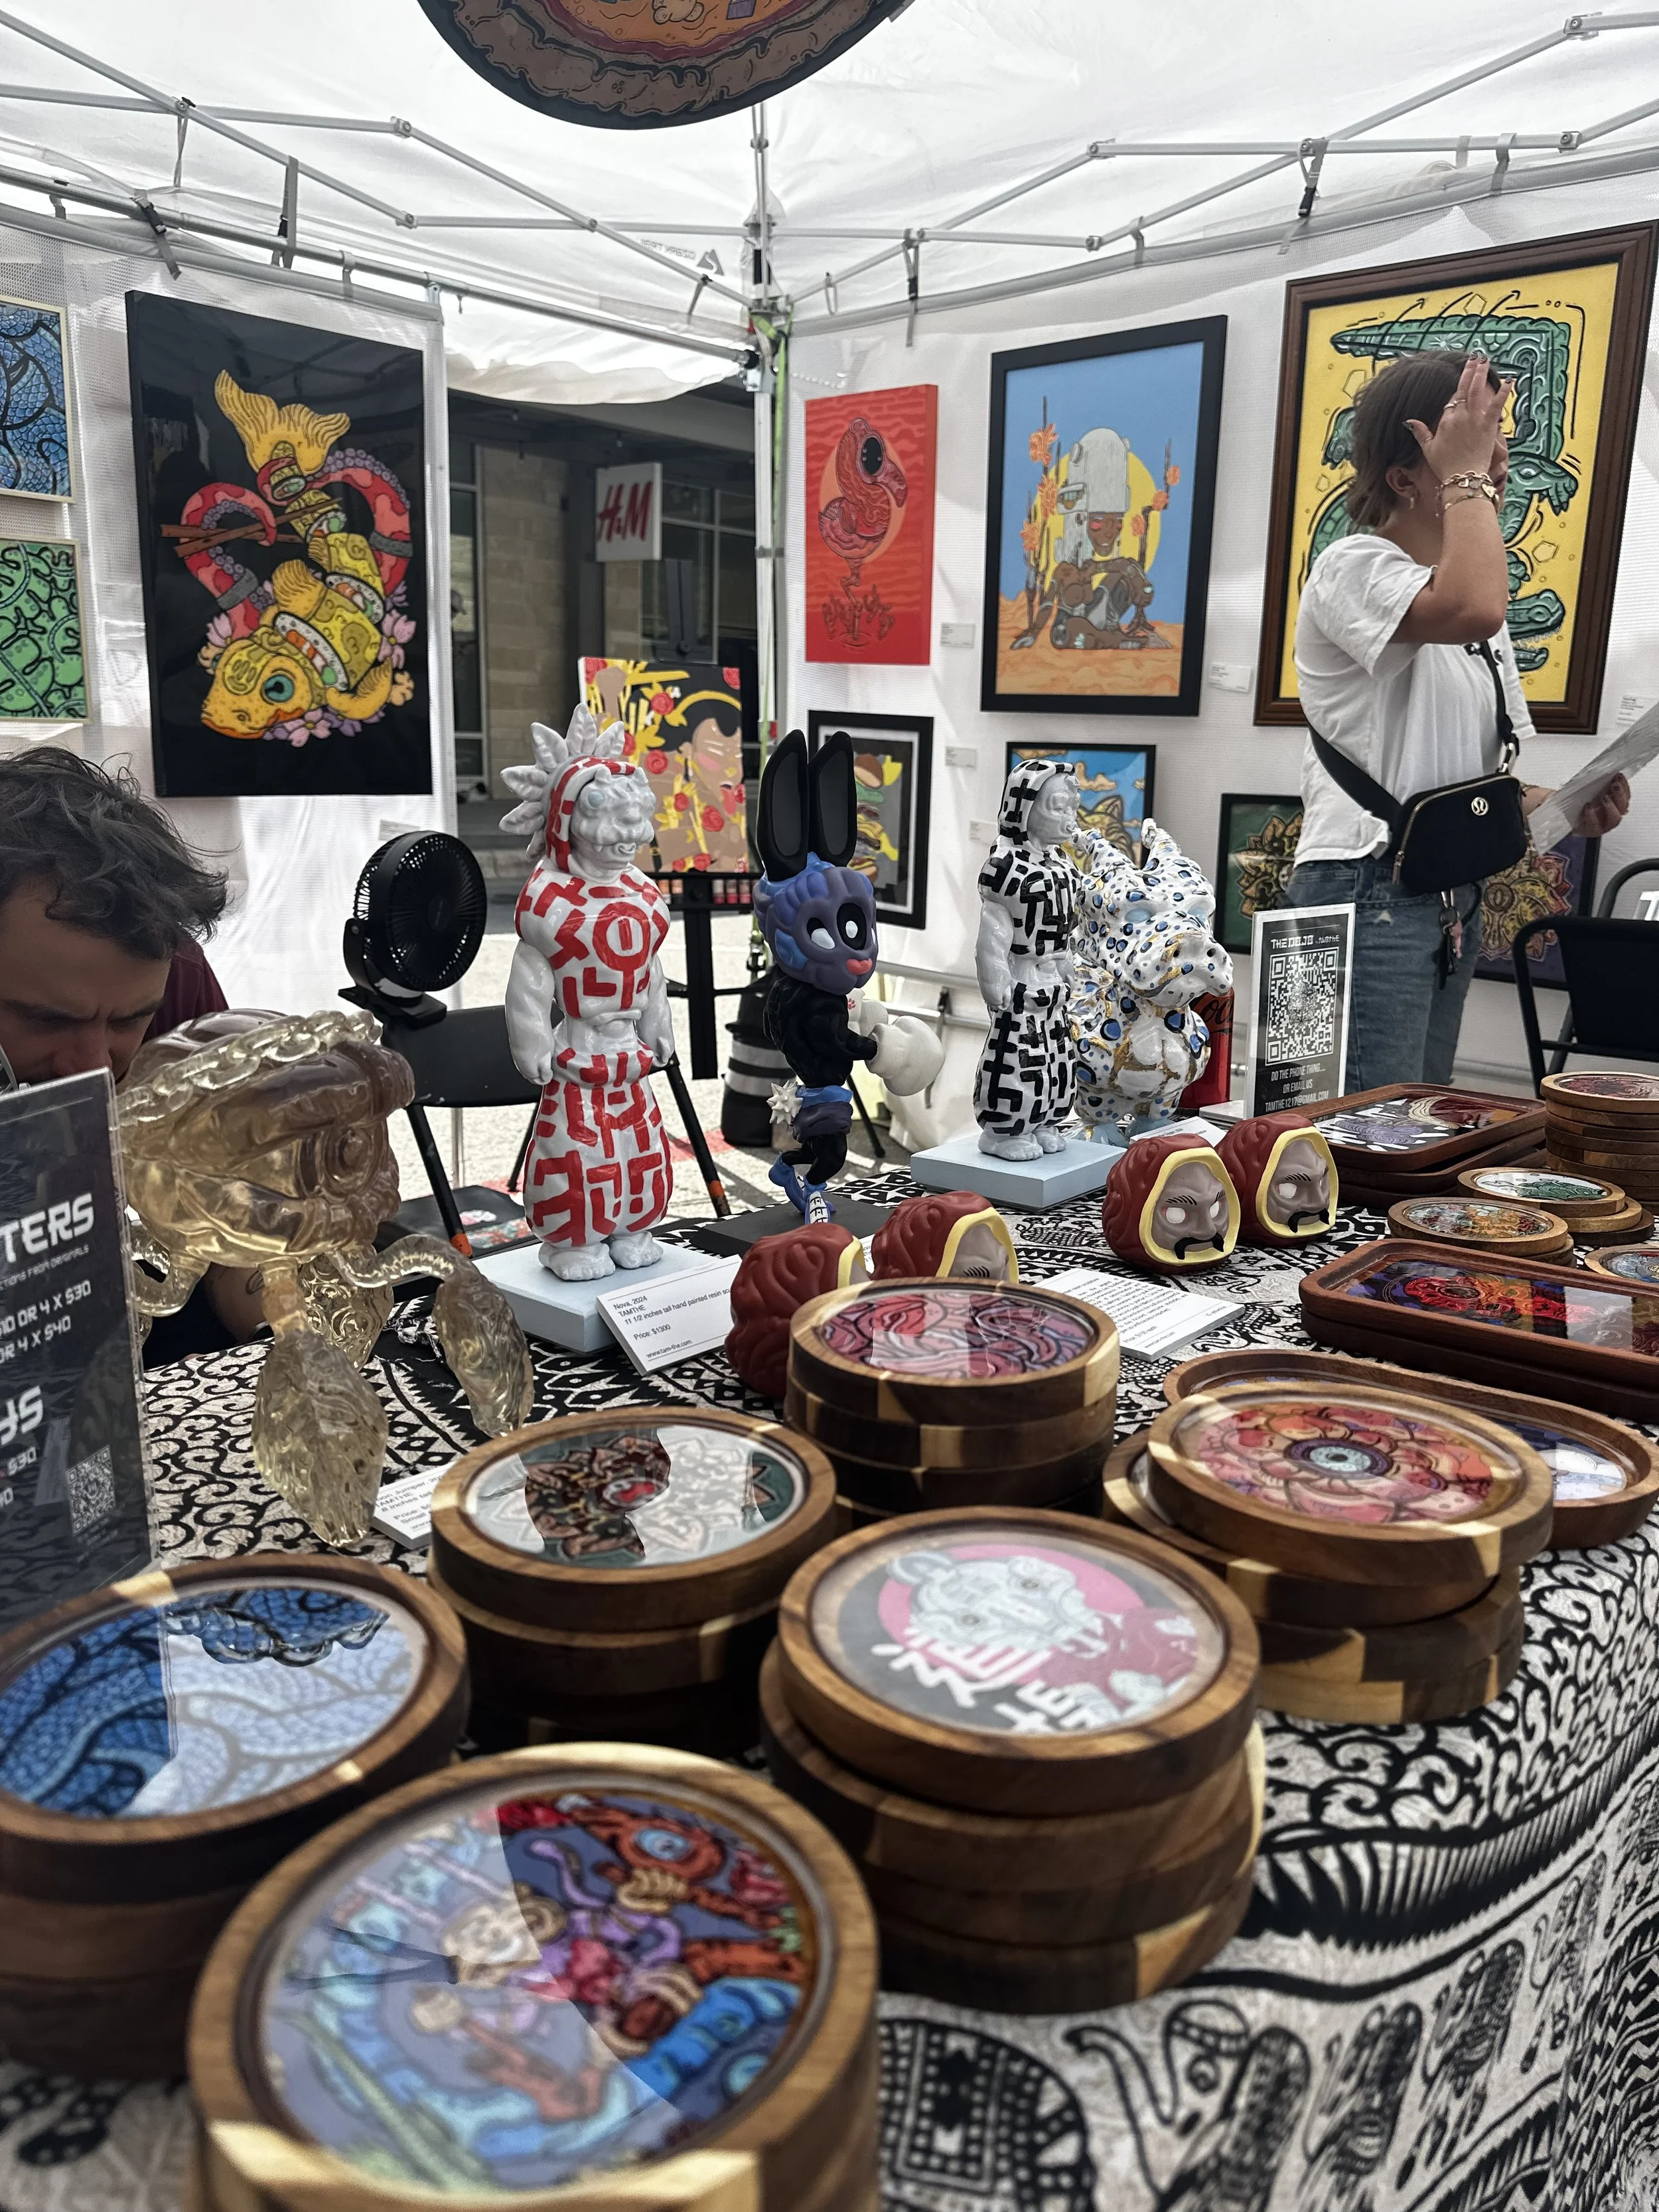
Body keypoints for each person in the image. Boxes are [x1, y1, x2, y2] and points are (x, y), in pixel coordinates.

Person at [1287, 351, 1630, 1089]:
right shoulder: (1351, 567)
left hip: (1439, 892)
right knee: (1352, 1136)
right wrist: (1465, 474)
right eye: (1471, 452)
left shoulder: (1467, 611)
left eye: (1497, 447)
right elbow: (1473, 602)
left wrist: (1567, 806)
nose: (1496, 466)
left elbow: (1469, 784)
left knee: (1414, 1127)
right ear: (1404, 478)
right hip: (1359, 887)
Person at [0, 745, 263, 1359]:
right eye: (47, 1019)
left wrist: (284, 1331)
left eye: (129, 1020)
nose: (94, 1063)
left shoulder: (178, 977)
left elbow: (225, 1219)